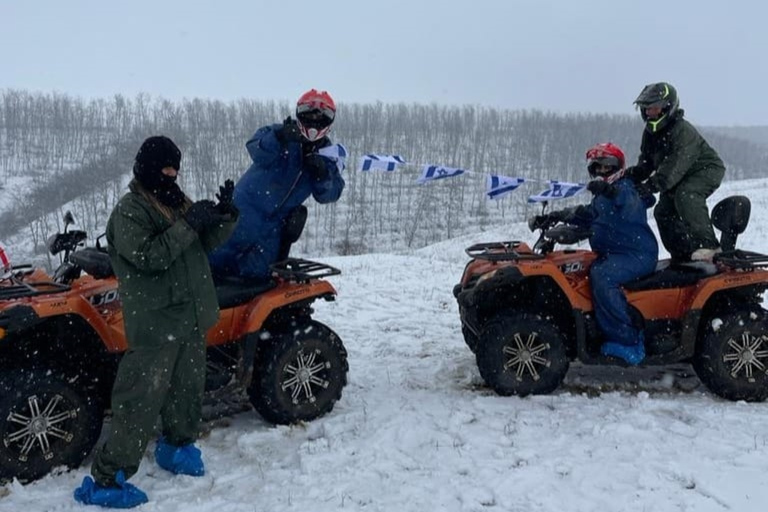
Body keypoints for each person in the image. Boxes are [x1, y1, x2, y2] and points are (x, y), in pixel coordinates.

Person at [74, 136, 238, 508]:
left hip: (190, 316)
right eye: (165, 168)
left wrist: (226, 215)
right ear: (146, 167)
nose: (171, 174)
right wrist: (189, 226)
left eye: (175, 169)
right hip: (156, 321)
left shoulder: (175, 200)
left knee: (186, 391)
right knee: (139, 400)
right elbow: (149, 257)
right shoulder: (130, 211)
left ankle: (177, 447)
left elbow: (206, 243)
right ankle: (107, 480)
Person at [529, 143, 658, 365]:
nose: (601, 171)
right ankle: (593, 327)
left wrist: (611, 191)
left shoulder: (626, 188)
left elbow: (630, 206)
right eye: (596, 167)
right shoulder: (602, 196)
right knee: (581, 271)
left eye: (606, 167)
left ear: (617, 167)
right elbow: (588, 214)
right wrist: (555, 216)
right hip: (614, 253)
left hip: (636, 254)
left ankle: (626, 339)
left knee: (602, 275)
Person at [209, 89, 345, 282]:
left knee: (255, 280)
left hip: (274, 229)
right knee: (212, 263)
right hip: (244, 213)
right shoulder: (278, 132)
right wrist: (279, 137)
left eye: (321, 117)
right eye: (309, 114)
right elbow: (256, 150)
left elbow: (331, 194)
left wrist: (323, 175)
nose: (314, 122)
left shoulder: (328, 155)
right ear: (299, 114)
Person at [626, 82, 726, 263]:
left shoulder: (682, 131)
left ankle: (709, 246)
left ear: (667, 107)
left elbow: (674, 167)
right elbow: (647, 163)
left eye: (654, 108)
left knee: (687, 195)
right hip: (680, 175)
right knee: (663, 211)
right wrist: (629, 176)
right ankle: (683, 254)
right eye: (646, 109)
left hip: (705, 169)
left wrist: (651, 186)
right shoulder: (650, 133)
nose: (649, 113)